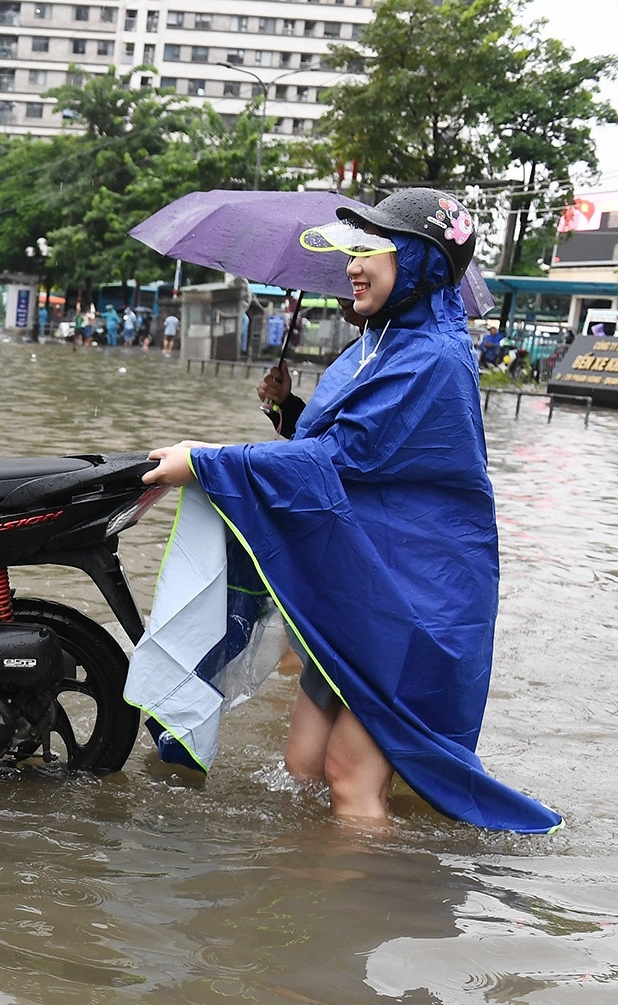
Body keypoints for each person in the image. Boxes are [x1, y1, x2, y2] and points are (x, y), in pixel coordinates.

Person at [144, 188, 558, 833]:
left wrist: (206, 460)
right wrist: (285, 410)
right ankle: (323, 881)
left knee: (347, 777)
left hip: (413, 603)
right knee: (303, 765)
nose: (352, 267)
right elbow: (353, 452)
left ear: (418, 260)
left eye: (372, 251)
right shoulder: (381, 345)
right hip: (363, 589)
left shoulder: (433, 357)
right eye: (354, 252)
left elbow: (345, 459)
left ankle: (372, 896)